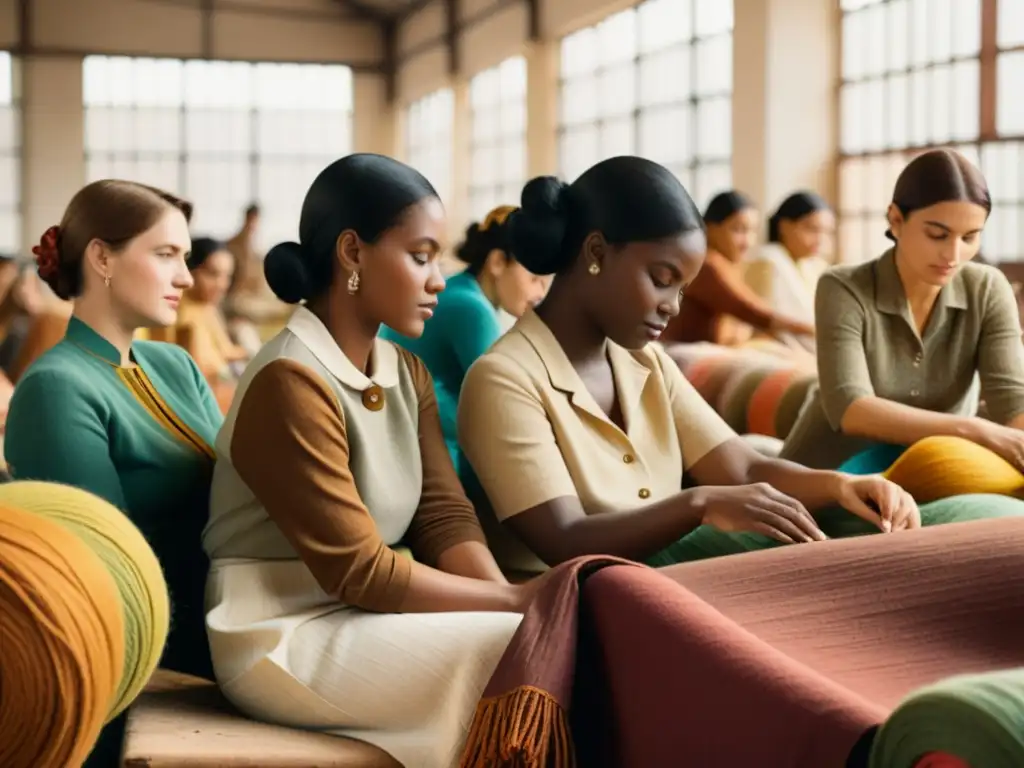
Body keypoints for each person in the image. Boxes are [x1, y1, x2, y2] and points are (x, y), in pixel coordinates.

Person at [202, 154, 548, 768]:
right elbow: (359, 571)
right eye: (420, 256)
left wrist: (511, 597)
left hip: (363, 616)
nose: (438, 278)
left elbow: (442, 515)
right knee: (513, 645)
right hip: (280, 632)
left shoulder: (404, 371)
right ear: (352, 254)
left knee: (535, 638)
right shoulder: (291, 379)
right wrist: (519, 603)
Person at [456, 157, 919, 574]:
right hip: (582, 591)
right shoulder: (503, 379)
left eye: (682, 291)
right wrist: (697, 503)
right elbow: (563, 539)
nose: (672, 307)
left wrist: (841, 486)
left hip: (660, 572)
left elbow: (744, 470)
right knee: (832, 552)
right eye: (661, 281)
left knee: (867, 521)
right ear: (595, 253)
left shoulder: (645, 361)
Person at [4, 180, 223, 765]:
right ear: (101, 257)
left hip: (229, 613)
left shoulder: (174, 364)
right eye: (166, 255)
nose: (187, 278)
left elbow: (240, 486)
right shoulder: (56, 386)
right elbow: (102, 576)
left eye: (186, 258)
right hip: (156, 650)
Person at [780, 148, 1024, 473]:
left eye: (969, 237)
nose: (953, 253)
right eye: (937, 234)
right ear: (896, 220)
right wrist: (974, 429)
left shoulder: (989, 288)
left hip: (931, 473)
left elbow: (1013, 401)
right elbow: (852, 409)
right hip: (825, 475)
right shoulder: (842, 287)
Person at [381, 204, 550, 473]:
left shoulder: (459, 291)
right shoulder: (470, 308)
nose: (541, 291)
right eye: (534, 277)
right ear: (497, 262)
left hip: (406, 446)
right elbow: (506, 399)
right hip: (431, 462)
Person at [660, 191, 815, 354]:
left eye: (753, 231)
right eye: (739, 230)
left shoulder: (729, 264)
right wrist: (815, 330)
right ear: (711, 228)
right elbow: (756, 313)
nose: (747, 241)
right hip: (683, 354)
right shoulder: (707, 265)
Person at [744, 191, 834, 350]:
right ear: (784, 226)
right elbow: (764, 321)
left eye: (826, 232)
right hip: (773, 346)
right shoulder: (767, 261)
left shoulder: (815, 265)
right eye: (812, 229)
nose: (820, 239)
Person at [177, 236, 249, 382]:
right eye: (212, 274)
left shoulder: (206, 307)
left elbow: (225, 351)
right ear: (189, 270)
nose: (222, 284)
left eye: (227, 276)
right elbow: (202, 372)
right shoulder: (182, 315)